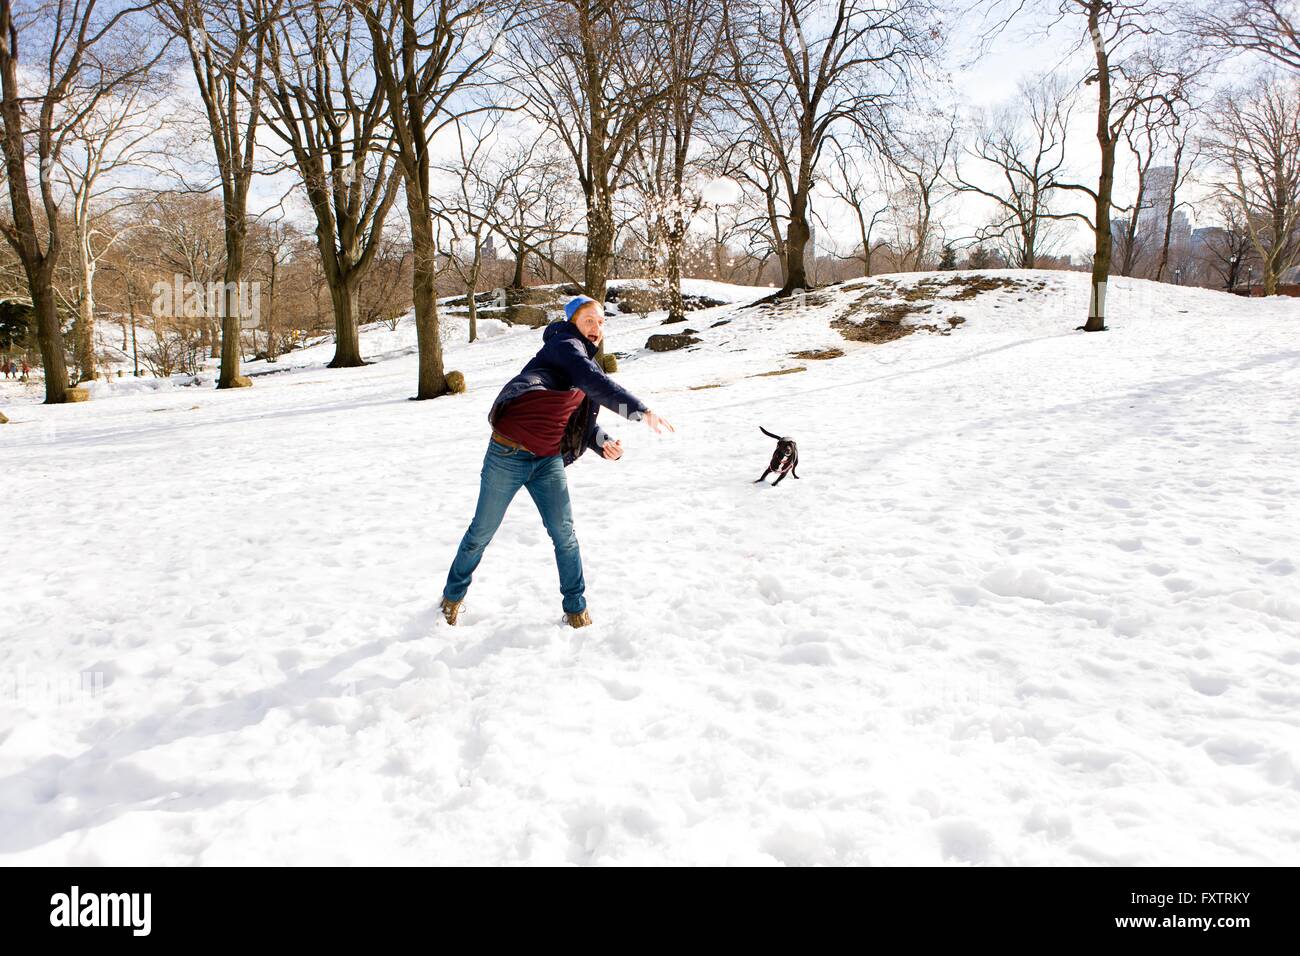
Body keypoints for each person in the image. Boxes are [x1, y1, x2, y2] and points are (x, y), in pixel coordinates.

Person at [440, 294, 675, 628]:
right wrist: (641, 411)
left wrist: (603, 443)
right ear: (572, 323)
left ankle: (576, 609)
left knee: (565, 535)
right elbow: (597, 384)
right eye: (588, 320)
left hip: (547, 459)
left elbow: (581, 421)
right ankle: (451, 598)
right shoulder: (564, 346)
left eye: (601, 322)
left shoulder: (584, 364)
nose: (596, 328)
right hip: (507, 454)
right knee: (481, 532)